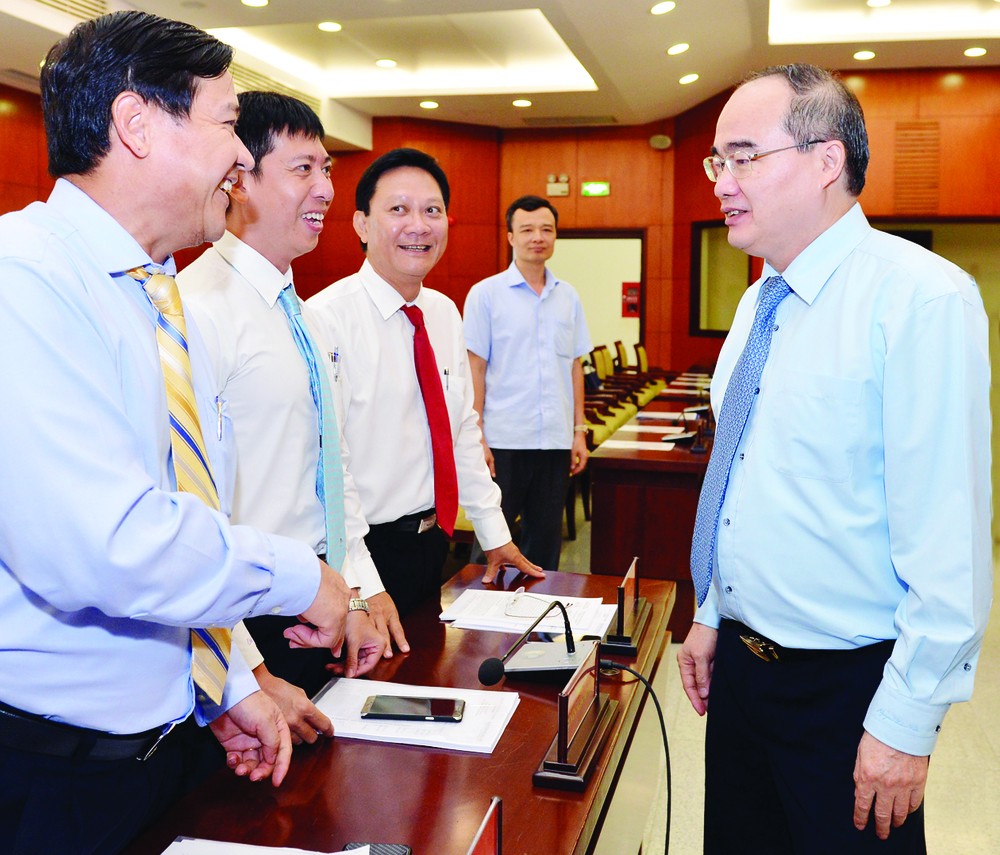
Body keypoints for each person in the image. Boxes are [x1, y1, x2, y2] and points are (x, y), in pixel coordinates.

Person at [0, 13, 353, 852]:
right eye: (228, 123)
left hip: (161, 751)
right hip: (51, 773)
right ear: (136, 126)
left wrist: (226, 684)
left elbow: (186, 502)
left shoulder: (153, 292)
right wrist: (300, 577)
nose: (242, 156)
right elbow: (109, 542)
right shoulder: (25, 281)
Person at [677, 64, 992, 854]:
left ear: (826, 161)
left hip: (848, 689)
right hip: (744, 675)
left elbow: (949, 542)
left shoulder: (920, 298)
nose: (721, 181)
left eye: (743, 155)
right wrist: (714, 610)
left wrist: (905, 723)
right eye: (717, 160)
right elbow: (744, 475)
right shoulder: (760, 300)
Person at [178, 92, 394, 733]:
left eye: (327, 168)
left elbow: (331, 461)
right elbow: (194, 513)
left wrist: (355, 589)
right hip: (243, 622)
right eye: (305, 169)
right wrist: (245, 673)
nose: (327, 189)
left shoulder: (291, 305)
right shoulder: (200, 311)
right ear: (240, 179)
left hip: (313, 600)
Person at [307, 148, 543, 616]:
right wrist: (362, 588)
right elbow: (332, 467)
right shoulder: (325, 319)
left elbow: (460, 429)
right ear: (361, 225)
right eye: (398, 209)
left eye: (432, 210)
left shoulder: (442, 313)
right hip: (360, 558)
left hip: (433, 544)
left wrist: (494, 534)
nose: (419, 225)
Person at [463, 195, 591, 571]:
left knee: (546, 547)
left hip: (553, 441)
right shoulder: (486, 294)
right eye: (528, 229)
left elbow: (574, 367)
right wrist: (478, 435)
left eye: (547, 229)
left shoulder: (567, 297)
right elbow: (476, 368)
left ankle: (540, 623)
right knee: (491, 544)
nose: (538, 237)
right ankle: (478, 626)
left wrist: (578, 431)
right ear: (510, 236)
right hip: (504, 442)